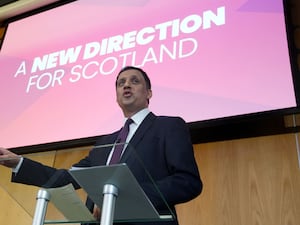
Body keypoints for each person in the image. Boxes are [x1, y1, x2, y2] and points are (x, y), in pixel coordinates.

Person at [0, 66, 202, 225]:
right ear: (116, 97)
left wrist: (120, 199)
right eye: (121, 83)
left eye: (134, 81)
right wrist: (18, 163)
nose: (126, 85)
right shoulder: (105, 143)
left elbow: (187, 182)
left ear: (149, 93)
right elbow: (66, 178)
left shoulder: (168, 126)